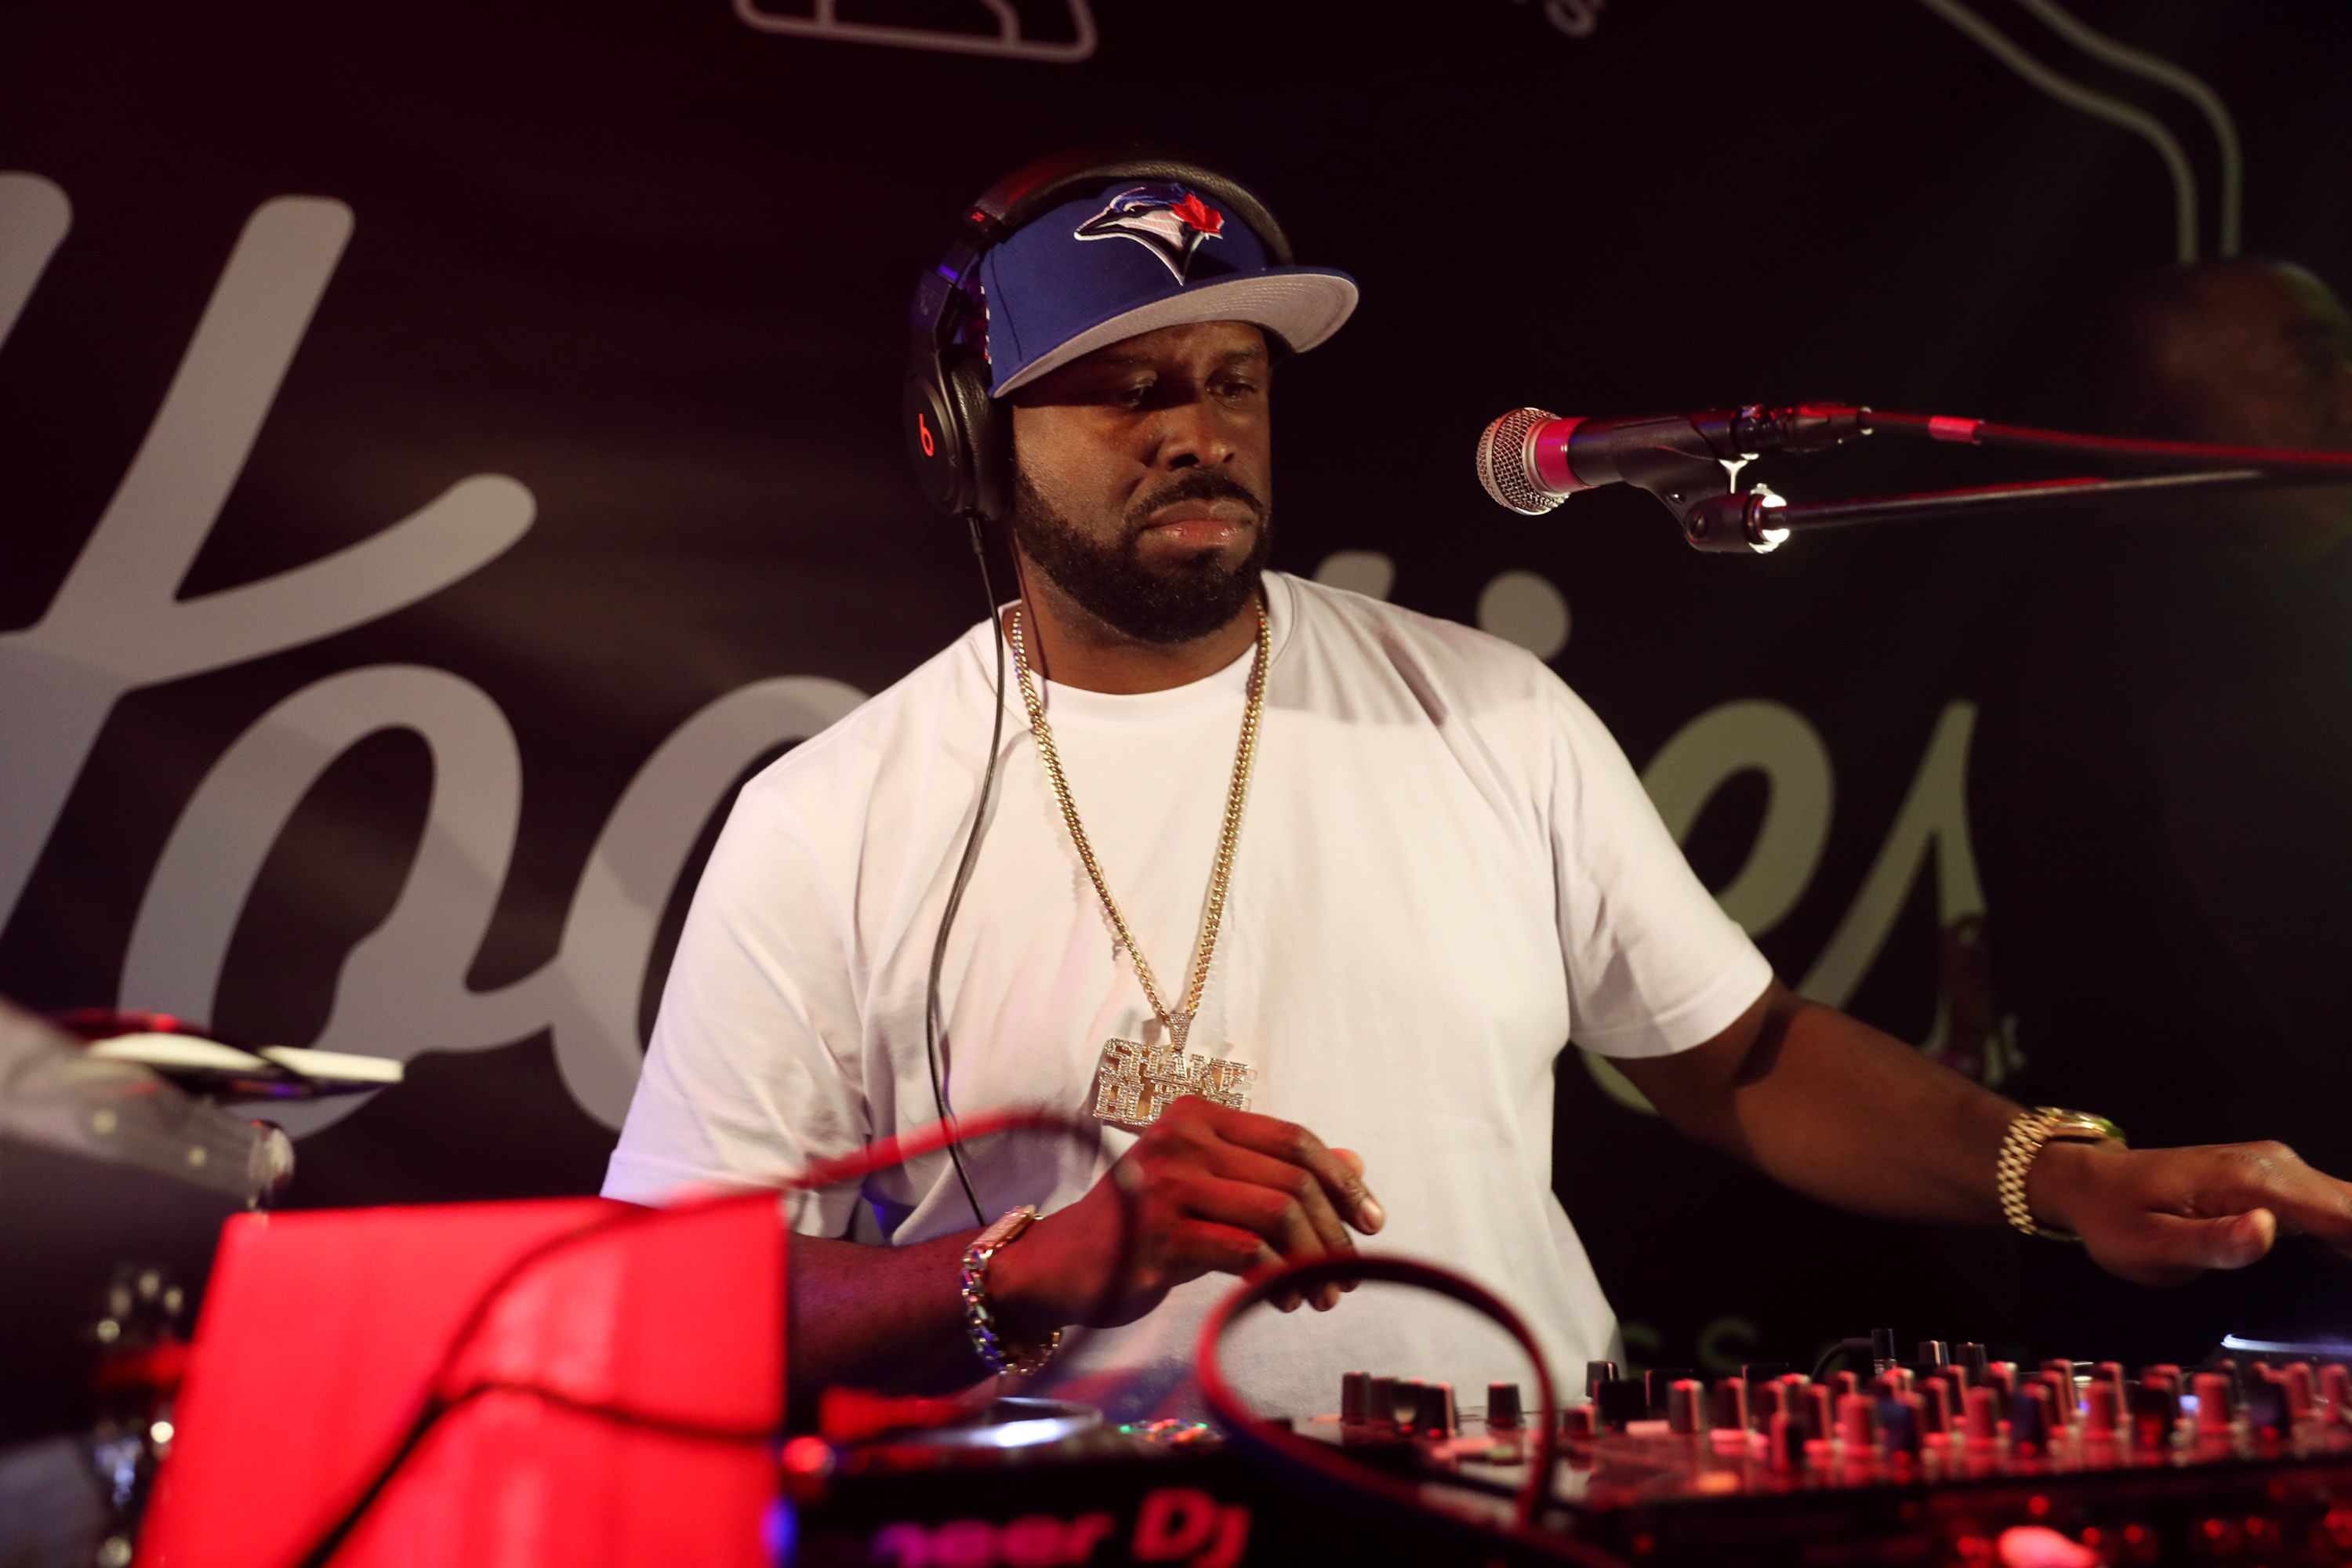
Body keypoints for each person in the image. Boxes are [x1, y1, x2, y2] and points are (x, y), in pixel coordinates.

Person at [606, 159, 2352, 1421]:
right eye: (1122, 389)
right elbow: (667, 1299)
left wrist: (2062, 1172)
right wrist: (1036, 1266)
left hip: (1524, 1507)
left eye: (1229, 383)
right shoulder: (833, 815)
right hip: (1067, 1530)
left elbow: (1740, 1059)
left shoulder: (1483, 707)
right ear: (968, 438)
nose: (1194, 431)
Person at [1977, 259, 2352, 1362]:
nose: (2348, 399)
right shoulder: (2200, 628)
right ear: (2168, 402)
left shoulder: (2100, 616)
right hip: (2251, 1288)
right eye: (2310, 363)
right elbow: (2309, 956)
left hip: (2201, 1274)